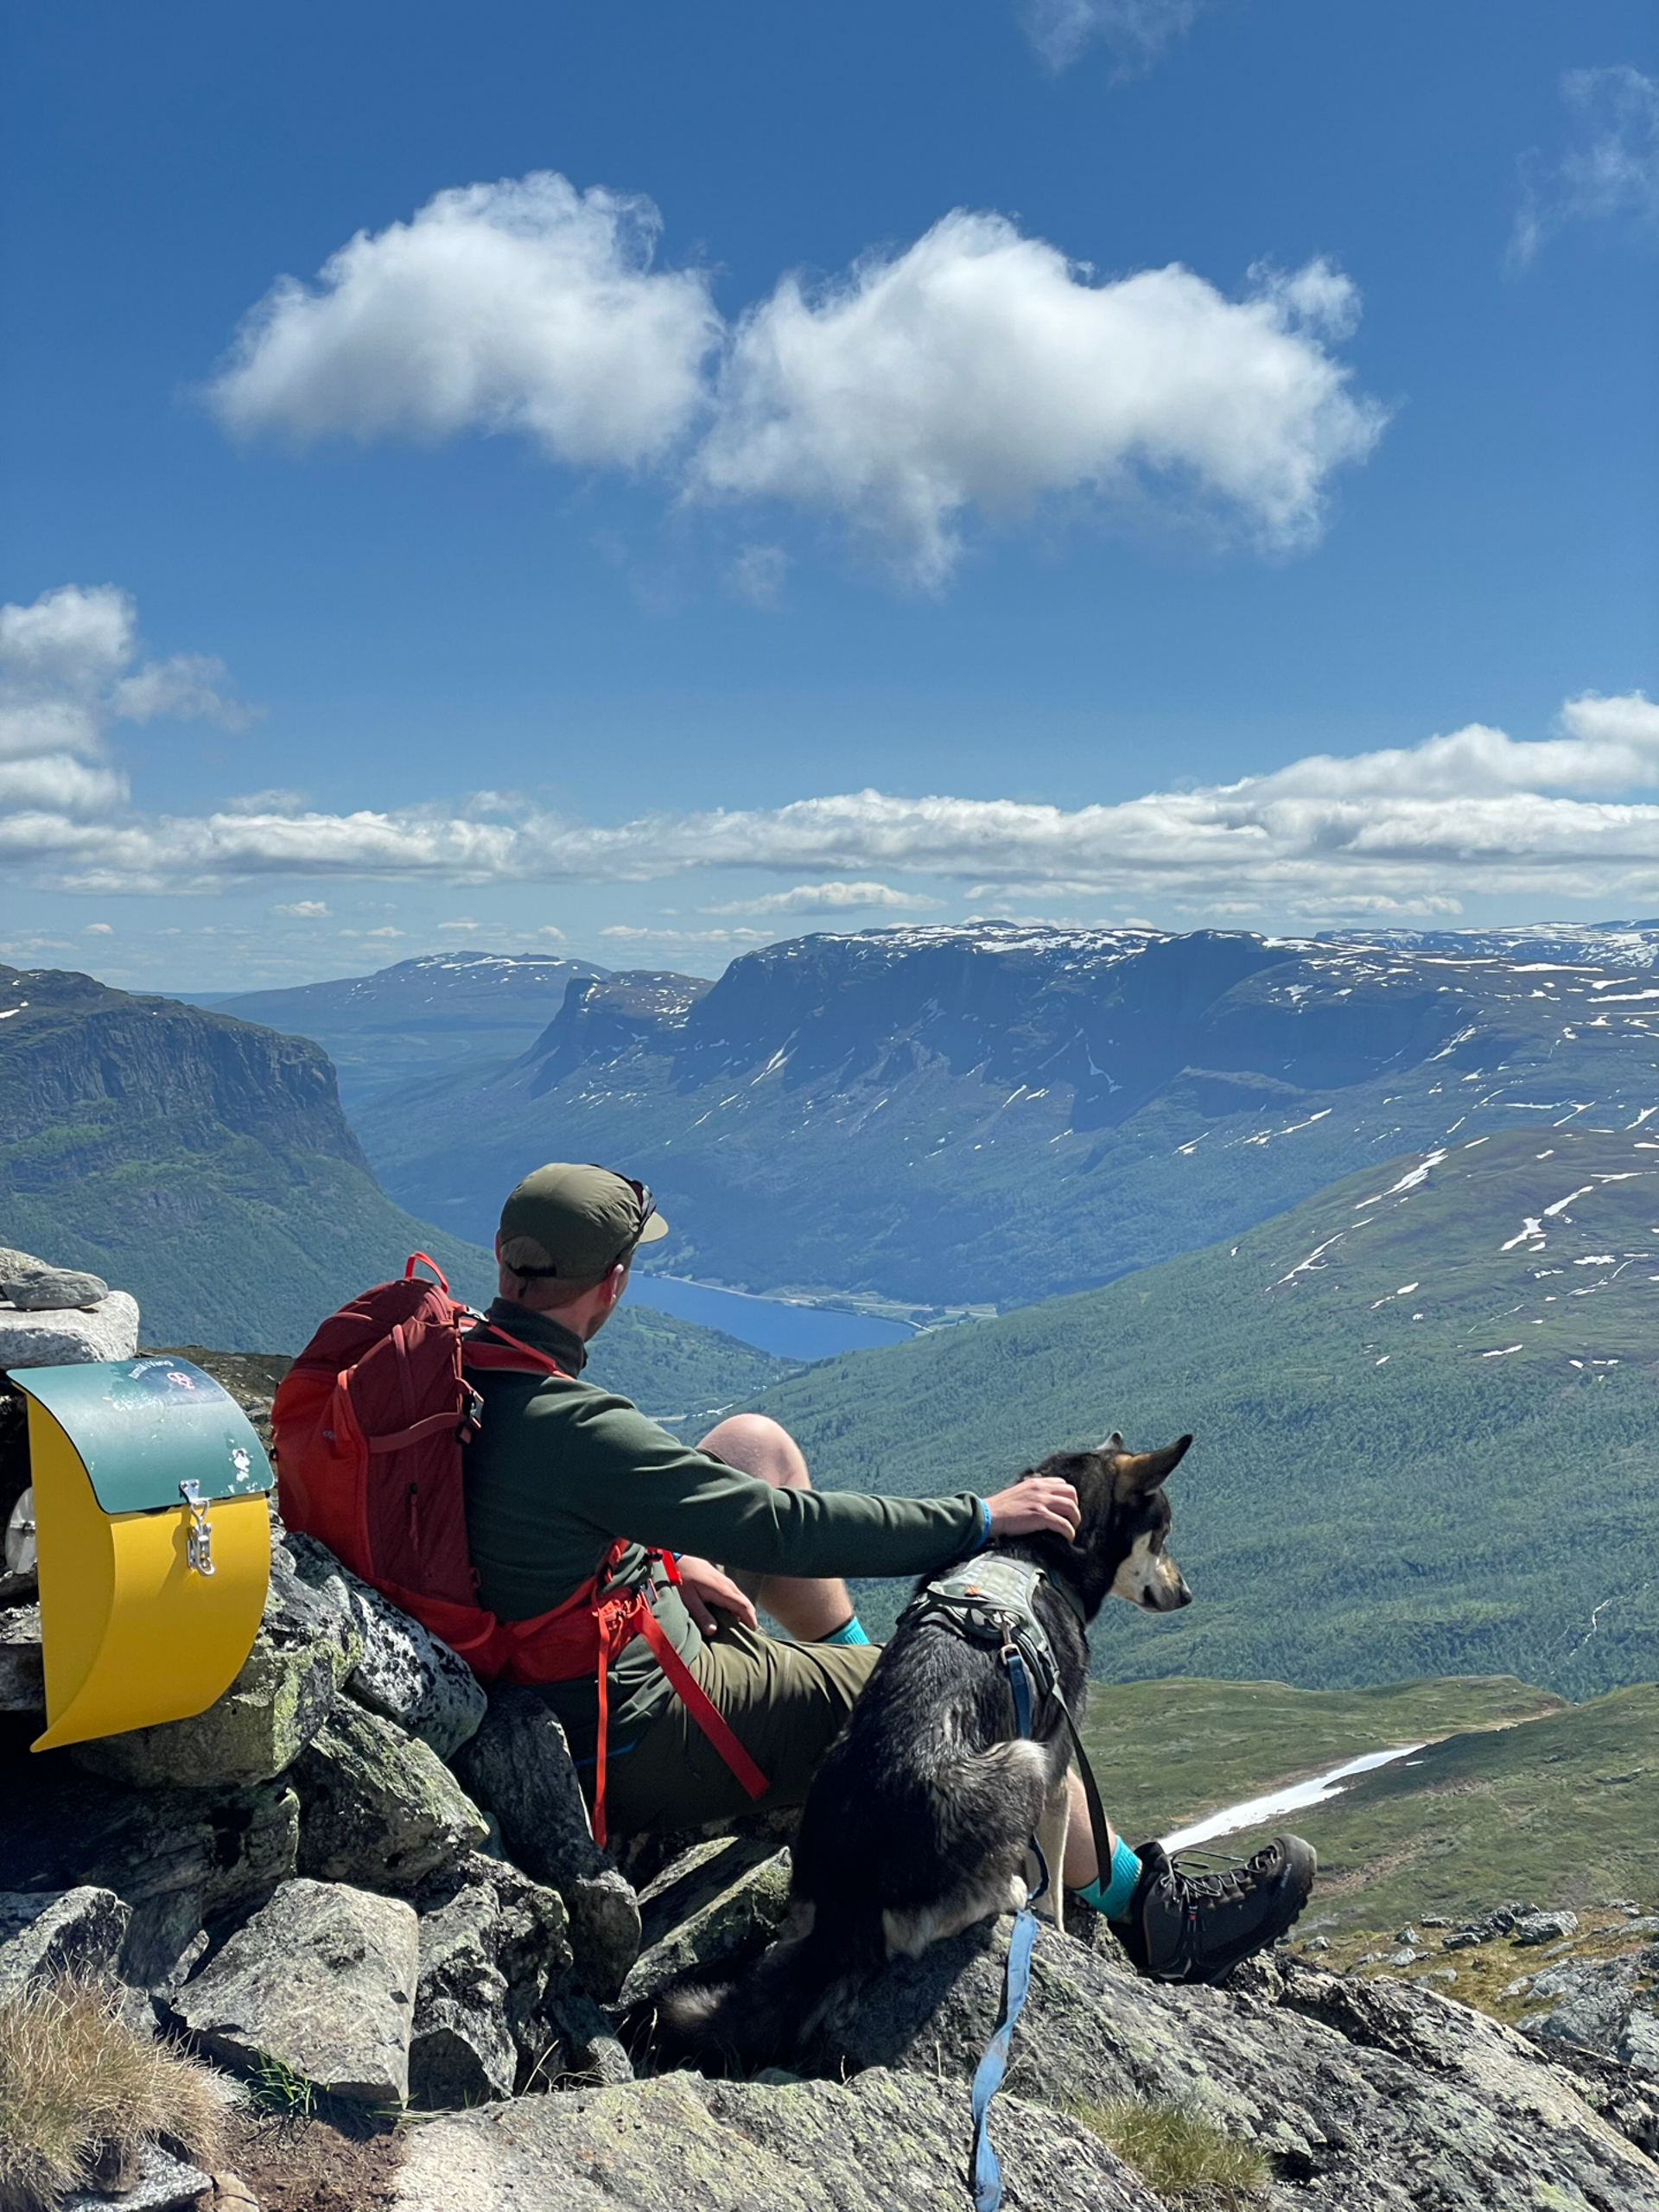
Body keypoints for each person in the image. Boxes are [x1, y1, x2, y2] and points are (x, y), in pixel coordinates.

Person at [463, 1160, 1314, 1982]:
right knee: (971, 1690)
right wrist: (983, 1517)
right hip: (636, 1723)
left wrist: (671, 1558)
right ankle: (1151, 1913)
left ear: (504, 1255)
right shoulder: (571, 1427)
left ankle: (850, 1662)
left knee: (755, 1446)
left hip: (573, 1643)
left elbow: (545, 1518)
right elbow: (789, 1531)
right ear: (613, 1283)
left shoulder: (464, 1359)